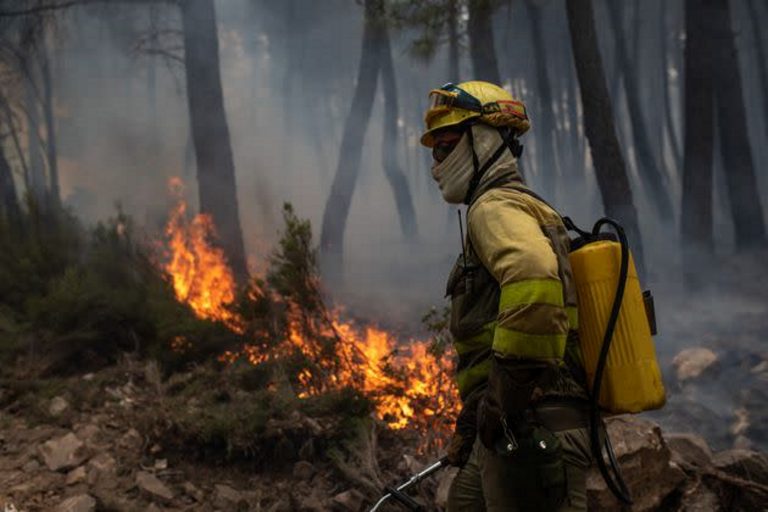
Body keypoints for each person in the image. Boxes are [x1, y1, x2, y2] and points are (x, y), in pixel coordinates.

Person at [421, 81, 592, 511]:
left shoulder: (492, 207)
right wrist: (479, 410)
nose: (436, 164)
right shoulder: (521, 205)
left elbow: (533, 281)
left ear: (483, 140)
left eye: (445, 147)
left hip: (531, 427)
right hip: (514, 426)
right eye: (433, 152)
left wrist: (503, 399)